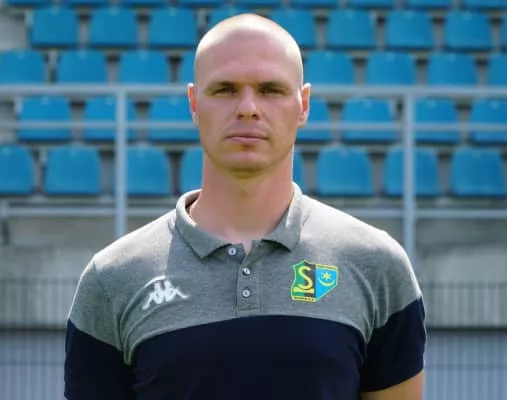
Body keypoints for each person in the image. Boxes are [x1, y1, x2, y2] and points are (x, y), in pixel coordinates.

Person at [64, 13, 426, 400]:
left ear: (303, 105)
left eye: (271, 89)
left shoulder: (376, 264)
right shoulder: (114, 278)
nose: (248, 108)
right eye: (225, 89)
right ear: (194, 103)